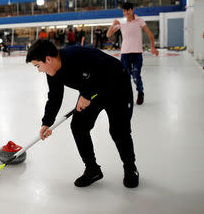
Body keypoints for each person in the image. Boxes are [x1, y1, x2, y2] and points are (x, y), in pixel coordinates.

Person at [26, 39, 139, 188]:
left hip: (117, 86)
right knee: (78, 126)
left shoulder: (76, 55)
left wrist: (86, 94)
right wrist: (46, 122)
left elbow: (104, 71)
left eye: (38, 66)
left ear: (48, 59)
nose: (39, 70)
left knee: (119, 130)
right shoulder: (52, 72)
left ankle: (130, 168)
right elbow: (54, 97)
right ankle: (92, 170)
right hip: (92, 90)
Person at [106, 2, 159, 105]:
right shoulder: (121, 22)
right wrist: (113, 24)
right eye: (124, 11)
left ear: (132, 10)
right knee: (125, 77)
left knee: (135, 75)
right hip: (125, 54)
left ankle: (140, 92)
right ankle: (127, 96)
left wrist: (152, 47)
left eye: (128, 10)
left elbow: (150, 33)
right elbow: (108, 34)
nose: (126, 13)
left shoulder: (140, 20)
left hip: (137, 53)